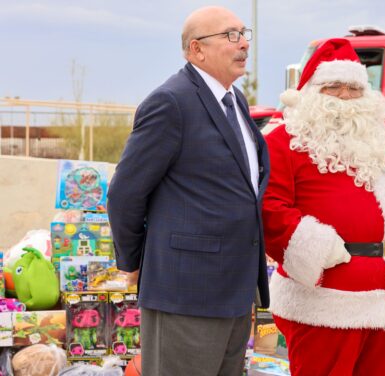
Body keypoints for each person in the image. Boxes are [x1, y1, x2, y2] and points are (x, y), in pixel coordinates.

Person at [262, 38, 385, 376]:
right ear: (311, 92)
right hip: (325, 304)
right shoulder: (283, 141)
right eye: (333, 87)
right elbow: (268, 207)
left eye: (354, 88)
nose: (346, 97)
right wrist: (317, 247)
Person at [107, 6, 270, 375]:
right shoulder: (171, 102)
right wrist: (132, 263)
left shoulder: (236, 101)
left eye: (244, 33)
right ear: (197, 49)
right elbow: (125, 193)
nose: (243, 43)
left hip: (234, 292)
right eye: (230, 35)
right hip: (185, 296)